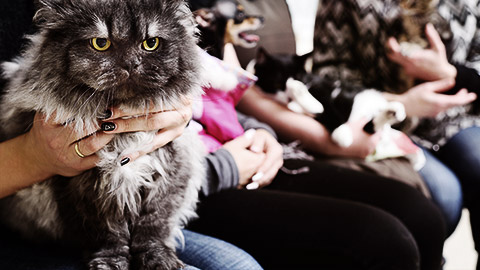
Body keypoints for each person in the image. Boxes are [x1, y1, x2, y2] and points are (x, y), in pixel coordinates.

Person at [0, 1, 262, 270]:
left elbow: (211, 94)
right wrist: (34, 156)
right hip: (36, 222)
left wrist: (256, 128)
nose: (131, 63)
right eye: (101, 44)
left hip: (148, 222)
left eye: (150, 45)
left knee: (239, 265)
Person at [185, 43, 447, 270]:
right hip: (190, 188)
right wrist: (224, 167)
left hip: (244, 149)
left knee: (423, 216)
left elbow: (218, 103)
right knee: (384, 241)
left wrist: (260, 132)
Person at [383, 0, 480, 267]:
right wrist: (397, 102)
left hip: (458, 116)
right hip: (383, 119)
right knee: (443, 197)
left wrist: (451, 75)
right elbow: (326, 74)